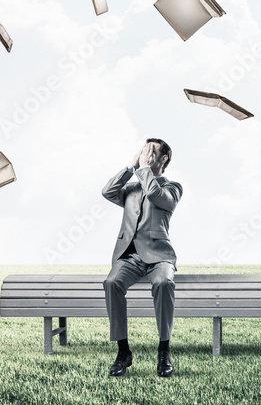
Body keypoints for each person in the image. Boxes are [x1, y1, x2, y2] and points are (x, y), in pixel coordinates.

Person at [100, 139, 183, 378]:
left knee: (164, 283)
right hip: (130, 256)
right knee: (111, 283)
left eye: (151, 151)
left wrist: (144, 169)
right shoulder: (131, 189)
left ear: (163, 158)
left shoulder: (173, 187)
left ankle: (164, 351)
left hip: (159, 256)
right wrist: (131, 166)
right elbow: (107, 192)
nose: (146, 153)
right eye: (143, 150)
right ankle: (123, 351)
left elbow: (157, 196)